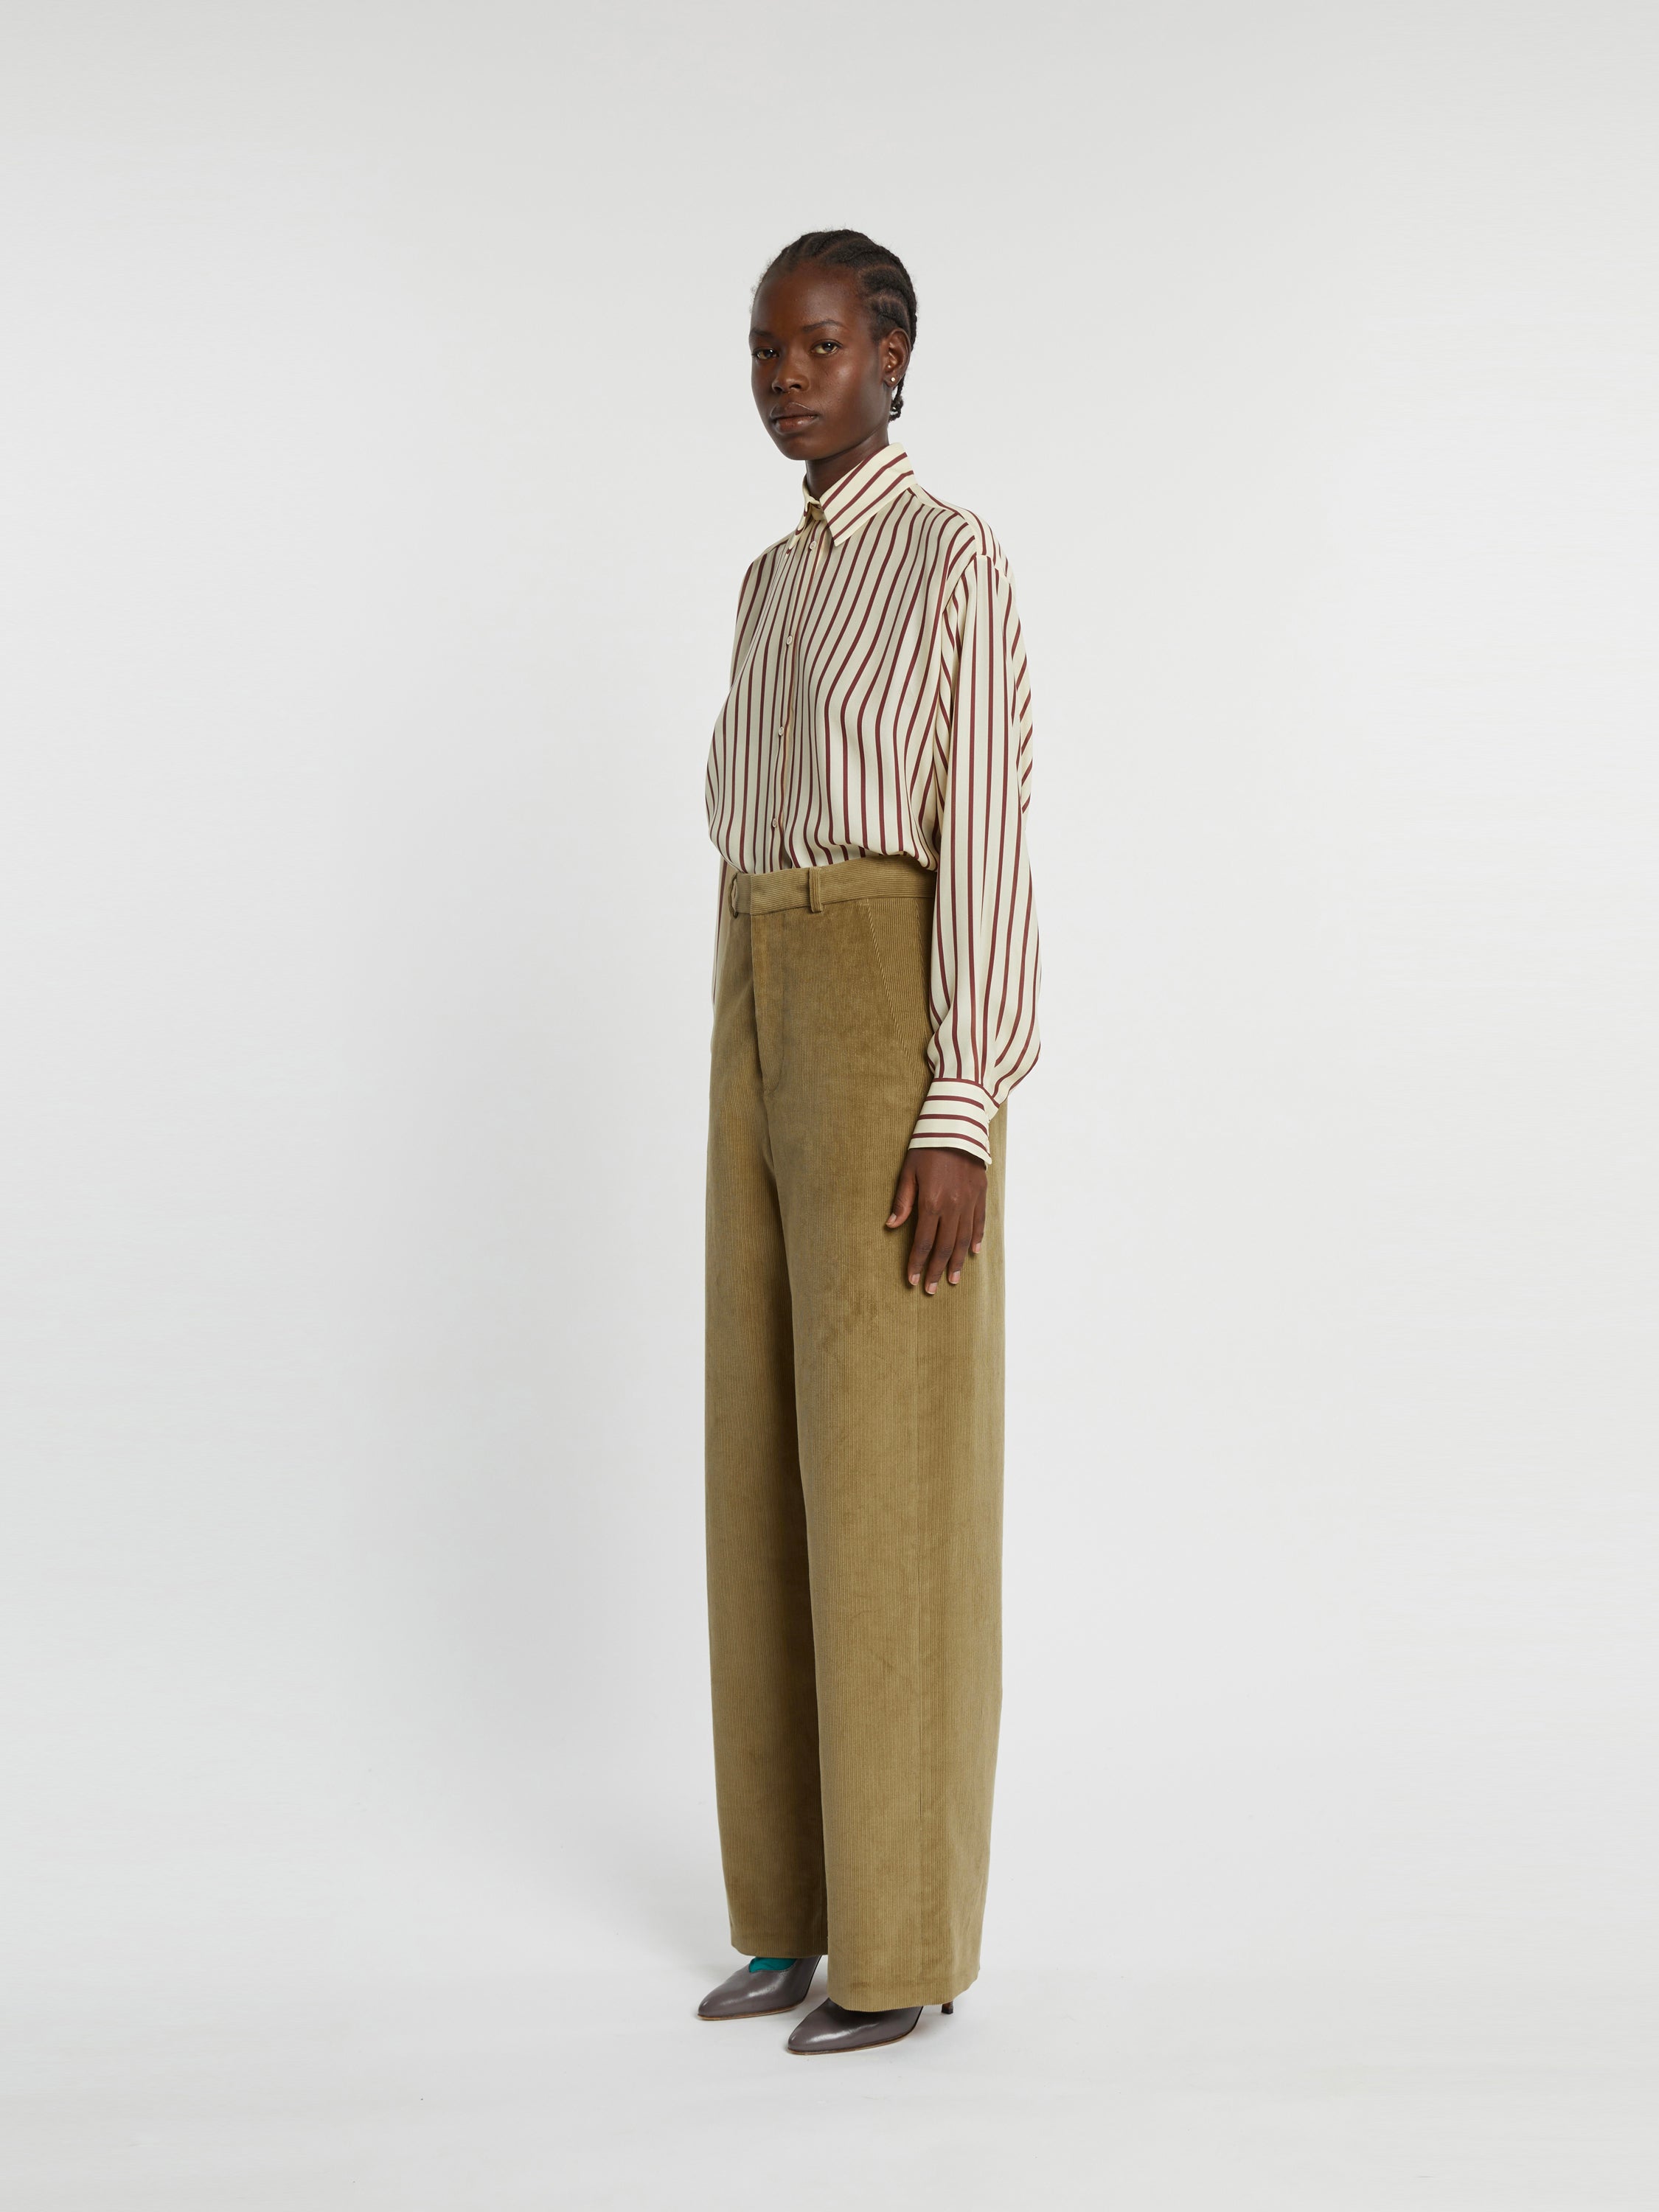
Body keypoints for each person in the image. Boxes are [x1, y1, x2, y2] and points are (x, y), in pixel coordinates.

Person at [697, 231, 1041, 2056]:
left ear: (893, 354)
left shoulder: (950, 556)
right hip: (752, 975)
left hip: (882, 997)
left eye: (820, 346)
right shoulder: (767, 584)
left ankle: (898, 1943)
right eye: (768, 350)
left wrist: (961, 1101)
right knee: (762, 1451)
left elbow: (984, 829)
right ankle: (788, 1916)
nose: (787, 379)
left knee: (891, 1472)